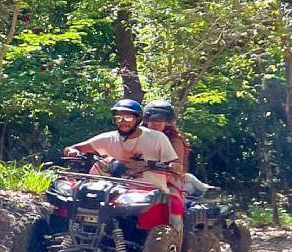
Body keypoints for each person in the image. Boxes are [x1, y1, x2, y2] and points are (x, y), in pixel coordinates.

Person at [65, 98, 184, 229]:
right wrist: (72, 151)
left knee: (174, 207)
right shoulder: (109, 137)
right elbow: (75, 148)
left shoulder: (158, 138)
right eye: (118, 118)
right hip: (111, 191)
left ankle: (177, 235)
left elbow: (176, 165)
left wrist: (167, 165)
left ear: (138, 119)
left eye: (128, 118)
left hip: (147, 191)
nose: (122, 121)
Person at [143, 99, 207, 197]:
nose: (157, 123)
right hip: (135, 178)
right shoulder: (136, 136)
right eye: (153, 119)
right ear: (146, 119)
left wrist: (170, 166)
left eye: (161, 120)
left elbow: (177, 167)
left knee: (172, 197)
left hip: (166, 180)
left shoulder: (175, 141)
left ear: (167, 122)